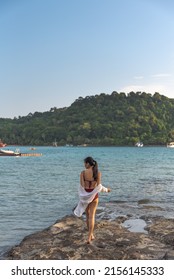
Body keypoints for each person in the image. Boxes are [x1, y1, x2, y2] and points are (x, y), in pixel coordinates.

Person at [74, 156, 111, 244]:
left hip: (85, 197)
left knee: (87, 216)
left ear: (88, 163)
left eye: (85, 163)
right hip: (94, 196)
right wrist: (106, 190)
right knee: (92, 216)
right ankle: (90, 236)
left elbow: (82, 186)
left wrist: (85, 194)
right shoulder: (97, 173)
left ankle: (90, 235)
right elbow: (98, 187)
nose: (84, 165)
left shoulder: (82, 173)